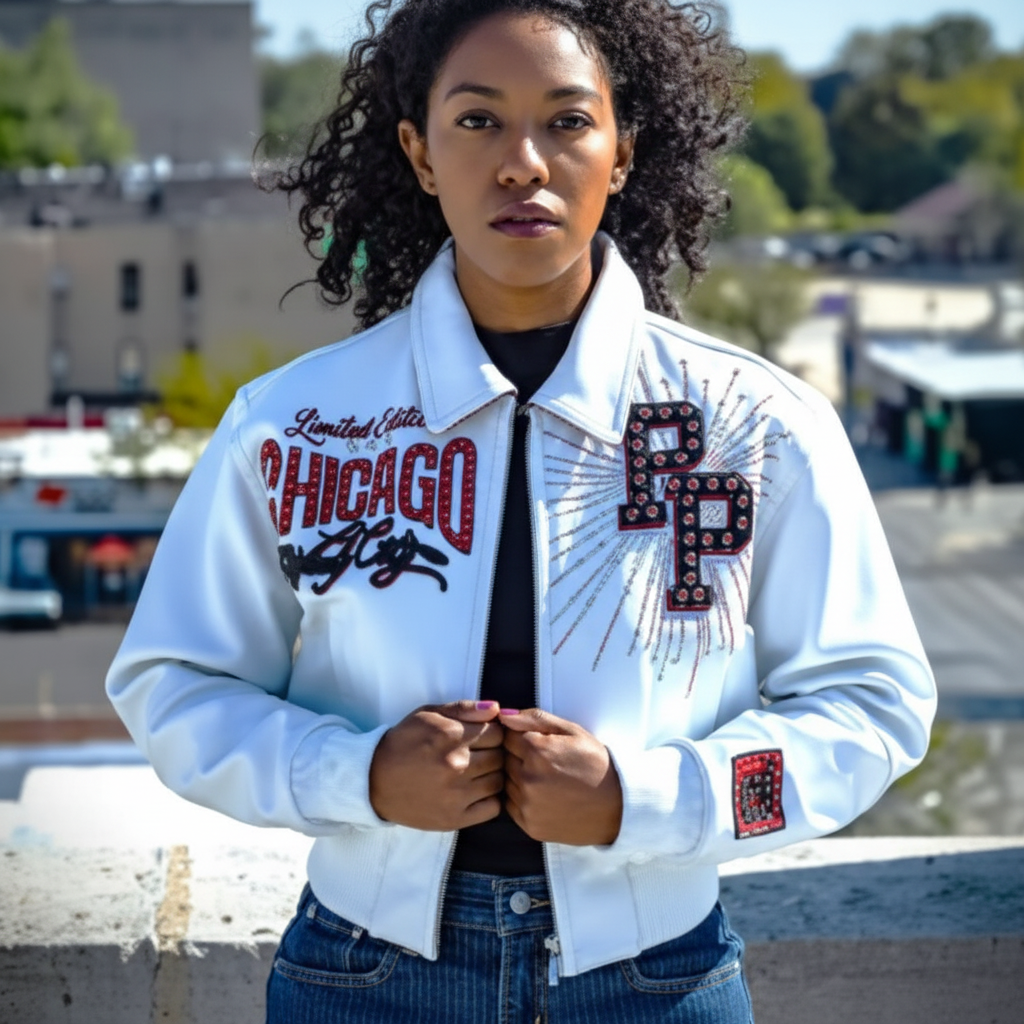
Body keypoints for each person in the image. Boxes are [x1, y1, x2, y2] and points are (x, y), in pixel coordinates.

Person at [106, 1, 936, 1021]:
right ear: (417, 151)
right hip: (362, 977)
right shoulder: (294, 425)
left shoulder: (757, 425)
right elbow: (174, 687)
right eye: (477, 120)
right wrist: (358, 774)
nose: (523, 162)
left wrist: (644, 799)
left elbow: (872, 707)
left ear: (623, 153)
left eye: (567, 120)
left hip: (659, 977)